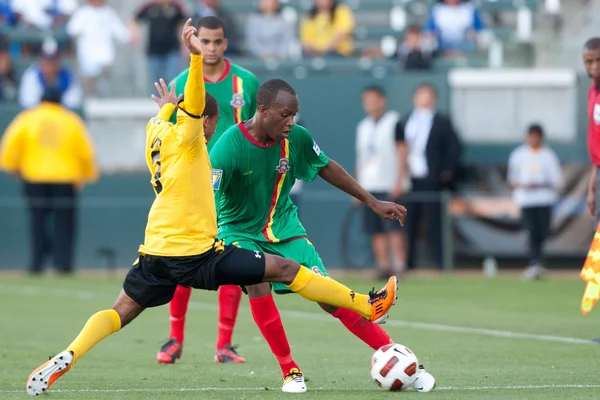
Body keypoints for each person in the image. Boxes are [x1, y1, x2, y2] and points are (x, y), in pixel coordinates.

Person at [24, 20, 399, 396]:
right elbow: (195, 103)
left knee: (120, 311)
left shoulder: (156, 131)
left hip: (154, 249)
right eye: (212, 122)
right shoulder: (192, 140)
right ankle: (365, 305)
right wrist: (194, 58)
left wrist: (167, 110)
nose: (216, 129)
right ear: (203, 121)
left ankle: (70, 353)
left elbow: (169, 114)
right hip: (197, 252)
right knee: (283, 268)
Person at [209, 78, 407, 392]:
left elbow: (326, 167)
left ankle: (394, 355)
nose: (291, 122)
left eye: (294, 115)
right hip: (238, 232)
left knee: (328, 298)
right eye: (285, 115)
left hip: (285, 228)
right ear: (262, 110)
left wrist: (372, 201)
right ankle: (290, 371)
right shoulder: (228, 147)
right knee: (258, 285)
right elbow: (208, 197)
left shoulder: (296, 138)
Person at [157, 16, 260, 365]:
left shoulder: (246, 82)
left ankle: (224, 345)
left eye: (217, 42)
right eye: (205, 41)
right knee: (186, 257)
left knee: (232, 256)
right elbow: (170, 137)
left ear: (225, 43)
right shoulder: (182, 81)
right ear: (194, 40)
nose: (211, 48)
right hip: (192, 185)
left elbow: (259, 130)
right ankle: (174, 338)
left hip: (235, 187)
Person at [0, 87, 97, 275]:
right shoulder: (71, 120)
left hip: (35, 178)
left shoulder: (28, 118)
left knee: (37, 223)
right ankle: (64, 265)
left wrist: (12, 167)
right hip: (65, 179)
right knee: (65, 225)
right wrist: (86, 175)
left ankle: (36, 264)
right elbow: (86, 151)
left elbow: (10, 144)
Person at [395, 84, 462, 271]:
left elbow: (454, 148)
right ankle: (408, 264)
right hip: (410, 180)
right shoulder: (406, 120)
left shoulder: (442, 121)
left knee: (435, 223)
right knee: (409, 223)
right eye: (420, 95)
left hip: (431, 181)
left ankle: (441, 263)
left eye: (427, 95)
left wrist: (446, 172)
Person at [355, 85, 407, 279]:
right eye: (366, 100)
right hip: (370, 185)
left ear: (382, 100)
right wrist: (358, 188)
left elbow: (403, 151)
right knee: (375, 230)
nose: (369, 103)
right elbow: (360, 158)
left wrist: (399, 181)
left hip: (389, 182)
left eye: (373, 99)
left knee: (395, 227)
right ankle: (383, 266)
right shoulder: (363, 127)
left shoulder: (394, 121)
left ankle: (399, 266)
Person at [507, 124, 561, 280]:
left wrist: (540, 184)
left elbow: (557, 180)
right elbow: (512, 178)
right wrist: (523, 185)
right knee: (530, 231)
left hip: (544, 199)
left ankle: (539, 262)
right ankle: (534, 263)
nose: (533, 139)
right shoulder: (519, 155)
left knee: (542, 231)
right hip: (526, 200)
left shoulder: (548, 155)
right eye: (531, 136)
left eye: (536, 136)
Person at [131, 0, 187, 86]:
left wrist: (185, 45)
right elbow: (135, 19)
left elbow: (183, 24)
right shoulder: (148, 7)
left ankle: (174, 99)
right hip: (154, 50)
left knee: (173, 77)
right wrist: (135, 33)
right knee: (157, 81)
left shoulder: (176, 6)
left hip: (172, 49)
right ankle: (160, 99)